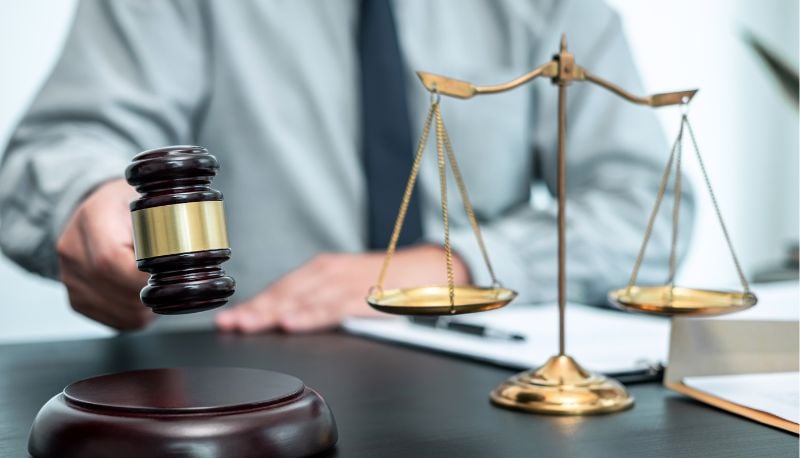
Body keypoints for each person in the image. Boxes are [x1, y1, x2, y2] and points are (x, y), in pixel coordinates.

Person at [0, 0, 692, 334]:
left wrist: (453, 267)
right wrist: (84, 201)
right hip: (230, 378)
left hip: (485, 385)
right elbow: (54, 153)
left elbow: (648, 210)